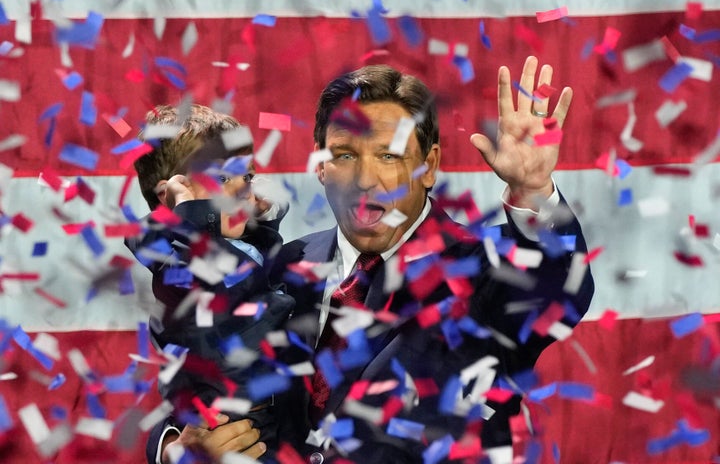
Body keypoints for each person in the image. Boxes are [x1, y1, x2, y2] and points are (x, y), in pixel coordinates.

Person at [151, 56, 595, 463]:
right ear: (321, 167)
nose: (366, 179)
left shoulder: (485, 270)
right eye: (346, 155)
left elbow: (562, 292)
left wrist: (534, 191)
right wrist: (175, 447)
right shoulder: (282, 266)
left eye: (389, 155)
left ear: (430, 165)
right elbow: (193, 380)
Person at [126, 104, 293, 463]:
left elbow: (252, 275)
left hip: (270, 423)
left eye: (246, 177)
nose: (242, 192)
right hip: (231, 428)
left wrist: (266, 221)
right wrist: (194, 218)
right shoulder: (173, 261)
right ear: (170, 195)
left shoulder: (228, 245)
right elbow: (226, 288)